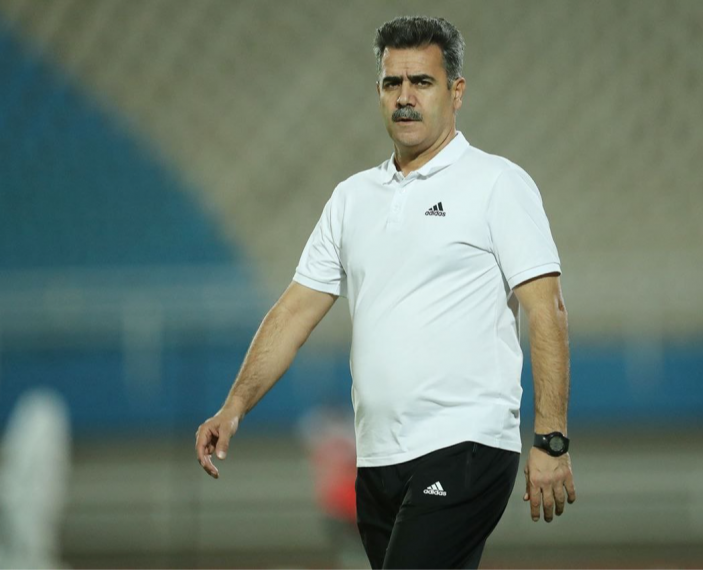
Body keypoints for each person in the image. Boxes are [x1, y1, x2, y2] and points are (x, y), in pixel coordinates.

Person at [195, 15, 576, 569]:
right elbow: (296, 311)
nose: (405, 97)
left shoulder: (497, 184)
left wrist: (551, 440)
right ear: (378, 91)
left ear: (456, 92)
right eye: (392, 83)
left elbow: (547, 310)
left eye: (422, 82)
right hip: (376, 460)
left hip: (465, 445)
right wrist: (234, 407)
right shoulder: (352, 199)